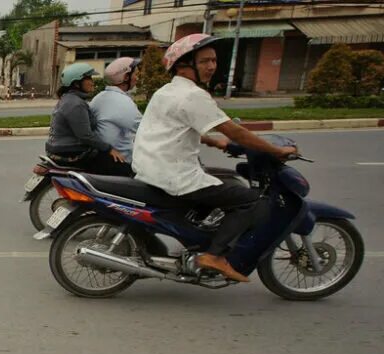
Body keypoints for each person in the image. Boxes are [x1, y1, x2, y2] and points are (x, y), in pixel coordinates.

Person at [131, 34, 296, 283]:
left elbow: (176, 129)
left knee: (226, 179)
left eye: (214, 61)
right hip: (174, 175)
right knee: (251, 200)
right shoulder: (192, 96)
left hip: (152, 168)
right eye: (205, 61)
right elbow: (234, 131)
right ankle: (215, 255)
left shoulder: (166, 92)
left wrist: (214, 141)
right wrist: (275, 150)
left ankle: (201, 238)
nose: (211, 67)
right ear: (184, 65)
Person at [46, 63, 132, 177]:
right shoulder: (75, 104)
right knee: (123, 169)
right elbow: (85, 135)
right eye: (88, 79)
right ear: (77, 83)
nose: (92, 82)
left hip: (62, 149)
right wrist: (109, 149)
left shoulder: (69, 99)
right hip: (71, 152)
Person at [90, 57, 142, 163]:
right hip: (120, 160)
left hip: (101, 156)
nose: (137, 78)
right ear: (126, 77)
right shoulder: (123, 102)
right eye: (135, 74)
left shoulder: (98, 97)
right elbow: (144, 128)